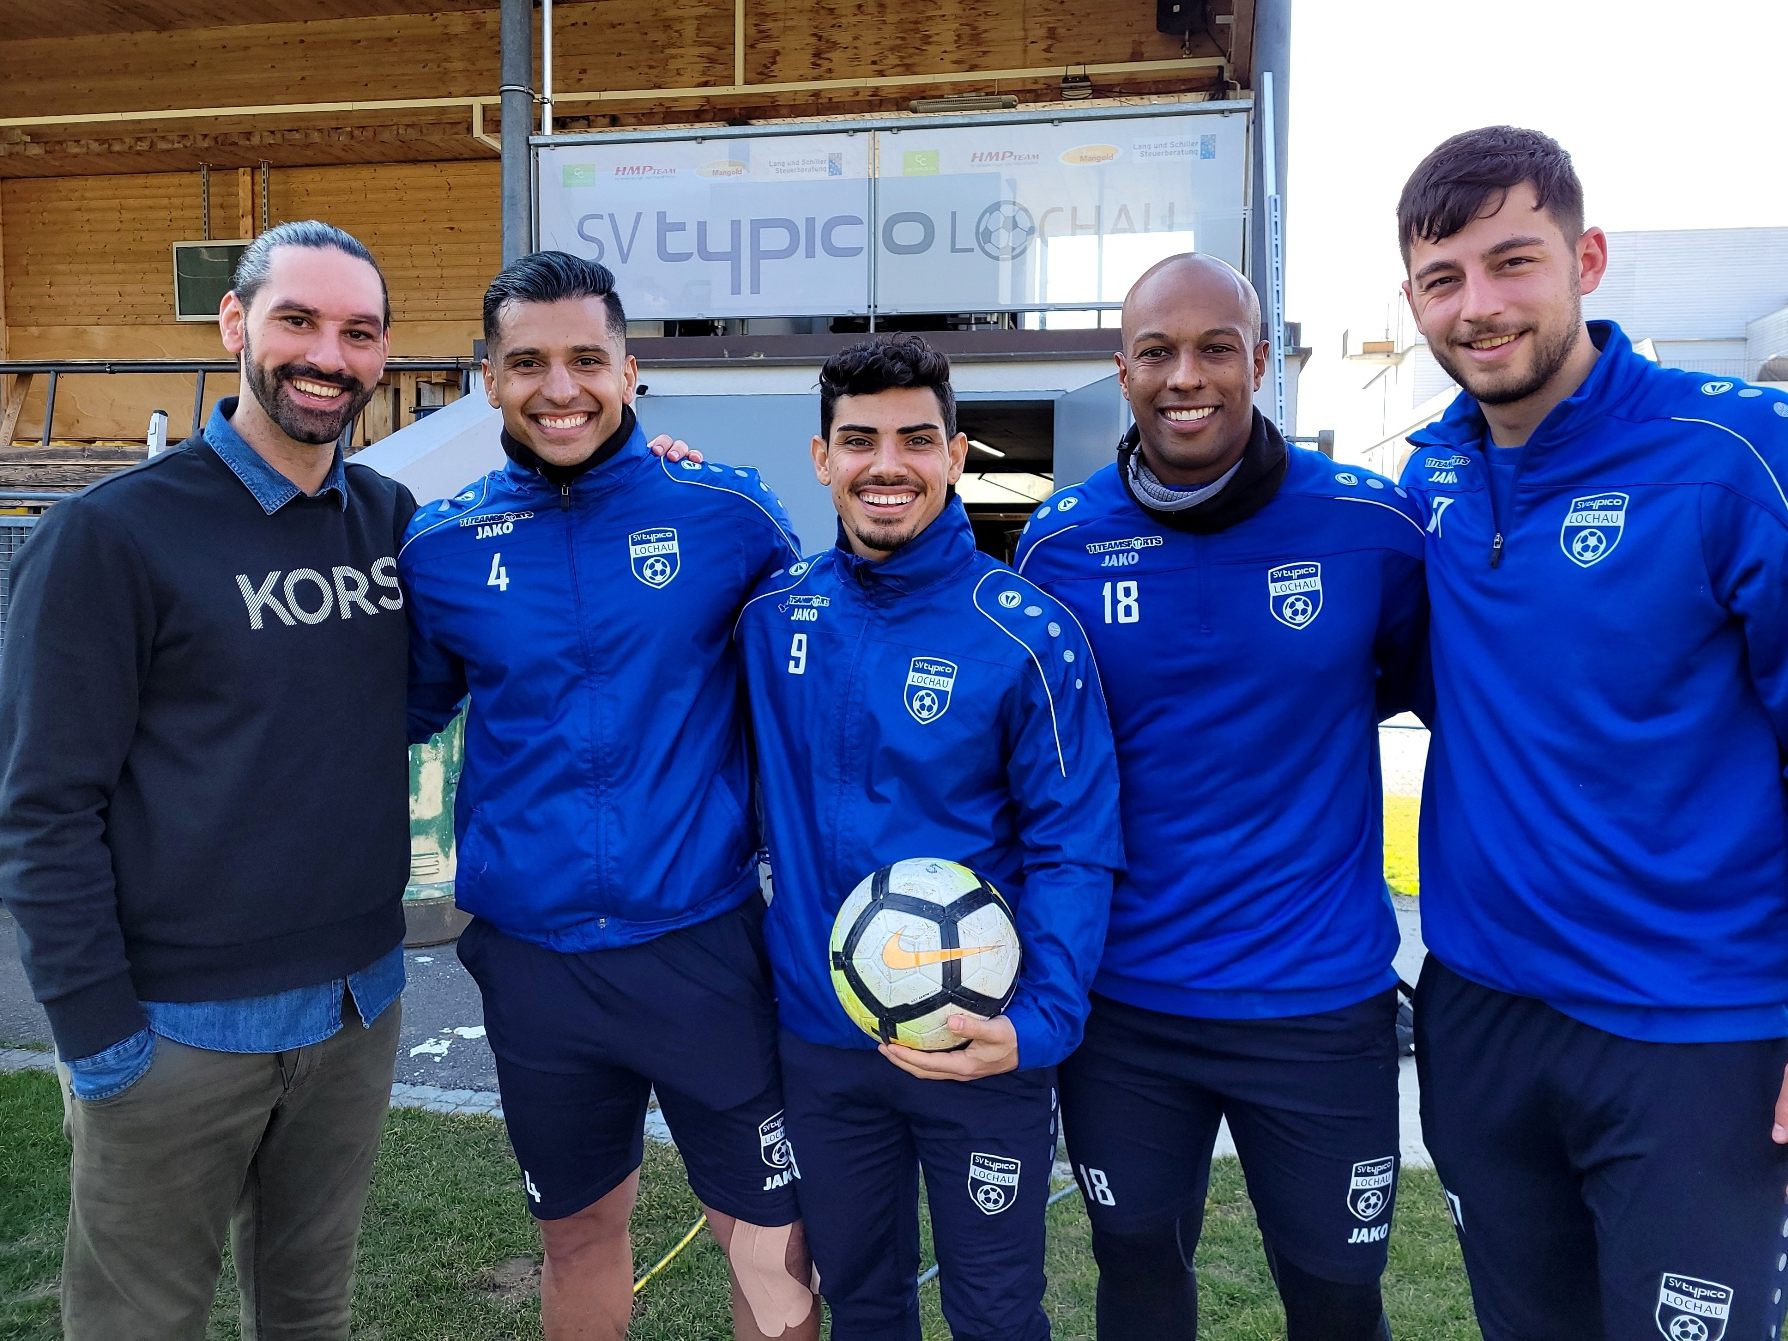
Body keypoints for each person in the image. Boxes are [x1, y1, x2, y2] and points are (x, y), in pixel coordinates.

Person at [1393, 125, 1788, 1341]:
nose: (1482, 306)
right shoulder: (1429, 485)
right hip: (1482, 1013)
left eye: (1515, 262)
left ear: (1589, 258)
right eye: (1443, 279)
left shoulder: (1734, 453)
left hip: (1693, 1028)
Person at [0, 220, 413, 1339]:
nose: (329, 356)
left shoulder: (389, 523)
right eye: (298, 321)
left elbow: (423, 691)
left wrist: (638, 452)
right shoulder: (109, 538)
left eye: (359, 332)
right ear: (234, 325)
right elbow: (42, 807)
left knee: (308, 1314)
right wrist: (99, 1039)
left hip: (355, 1008)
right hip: (174, 1034)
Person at [399, 251, 818, 1341]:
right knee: (578, 1237)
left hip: (704, 948)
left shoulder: (730, 514)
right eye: (528, 362)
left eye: (588, 359)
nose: (561, 387)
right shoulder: (442, 549)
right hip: (536, 966)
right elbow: (393, 715)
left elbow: (818, 686)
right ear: (488, 377)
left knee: (773, 1244)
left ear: (631, 371)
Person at [1013, 254, 1425, 1340]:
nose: (1184, 375)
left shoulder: (1373, 528)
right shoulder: (1060, 544)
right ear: (1122, 369)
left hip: (1317, 1000)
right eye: (1157, 351)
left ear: (1260, 360)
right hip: (1129, 1006)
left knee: (1337, 1297)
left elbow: (1441, 699)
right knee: (1137, 1271)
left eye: (1213, 348)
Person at [733, 333, 1124, 1341]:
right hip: (825, 1044)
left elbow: (1073, 846)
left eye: (916, 438)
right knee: (865, 1303)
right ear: (822, 460)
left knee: (995, 1312)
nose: (887, 464)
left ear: (956, 454)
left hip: (979, 1047)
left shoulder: (1027, 634)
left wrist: (1034, 1026)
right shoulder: (775, 618)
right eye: (858, 440)